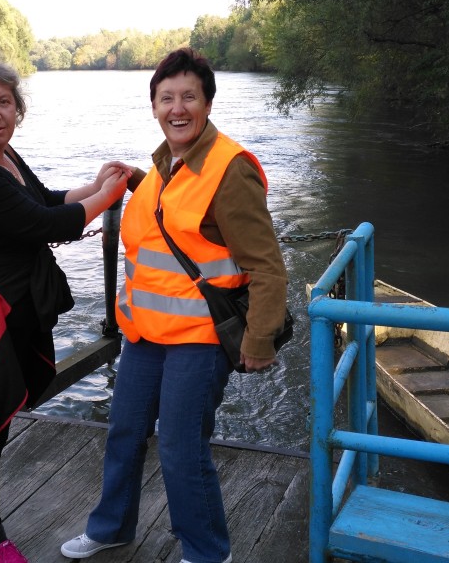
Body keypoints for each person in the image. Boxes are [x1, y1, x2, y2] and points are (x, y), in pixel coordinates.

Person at [60, 48, 289, 563]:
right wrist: (136, 180)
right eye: (167, 98)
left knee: (181, 447)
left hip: (200, 338)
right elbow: (179, 219)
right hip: (145, 334)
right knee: (124, 432)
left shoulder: (230, 171)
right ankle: (112, 527)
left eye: (189, 97)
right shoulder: (165, 164)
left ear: (207, 103)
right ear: (154, 107)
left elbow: (268, 266)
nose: (177, 108)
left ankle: (206, 552)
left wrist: (259, 339)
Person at [0, 52, 130, 563]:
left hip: (9, 300)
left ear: (17, 107)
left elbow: (42, 201)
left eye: (4, 102)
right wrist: (108, 196)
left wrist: (96, 186)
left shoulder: (2, 155)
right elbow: (48, 226)